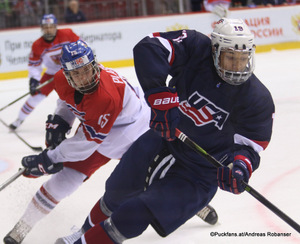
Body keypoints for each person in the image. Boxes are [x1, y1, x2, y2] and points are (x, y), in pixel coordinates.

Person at [55, 18, 275, 243]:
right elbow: (149, 47)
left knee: (136, 212)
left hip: (199, 171)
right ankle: (82, 232)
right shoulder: (196, 48)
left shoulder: (257, 98)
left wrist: (239, 167)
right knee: (116, 190)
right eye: (230, 57)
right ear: (214, 50)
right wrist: (160, 98)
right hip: (164, 138)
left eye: (242, 58)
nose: (237, 66)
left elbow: (251, 145)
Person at [3, 40, 216, 244]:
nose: (84, 78)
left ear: (94, 65)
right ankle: (22, 227)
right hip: (105, 127)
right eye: (76, 74)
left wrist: (48, 158)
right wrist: (61, 121)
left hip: (134, 130)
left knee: (153, 177)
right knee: (63, 180)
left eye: (87, 70)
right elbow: (67, 101)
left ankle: (193, 205)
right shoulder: (62, 79)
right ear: (66, 75)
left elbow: (85, 143)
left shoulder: (104, 96)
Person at [9, 13, 80, 130]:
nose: (48, 30)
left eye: (51, 26)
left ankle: (62, 123)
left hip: (69, 74)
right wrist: (34, 80)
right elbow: (34, 65)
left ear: (56, 26)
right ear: (42, 28)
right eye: (46, 27)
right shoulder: (37, 45)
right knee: (35, 96)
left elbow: (81, 47)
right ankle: (19, 120)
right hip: (51, 75)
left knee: (70, 99)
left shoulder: (67, 34)